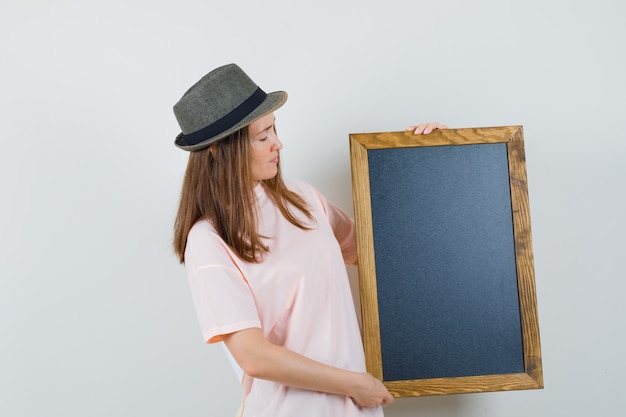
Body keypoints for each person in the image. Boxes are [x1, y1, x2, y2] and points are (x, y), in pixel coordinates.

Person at [172, 63, 446, 417]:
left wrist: (429, 160)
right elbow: (253, 357)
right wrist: (354, 383)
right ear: (218, 151)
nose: (278, 144)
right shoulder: (208, 240)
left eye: (274, 130)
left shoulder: (302, 200)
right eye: (263, 136)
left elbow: (389, 254)